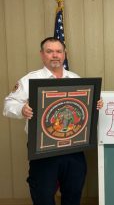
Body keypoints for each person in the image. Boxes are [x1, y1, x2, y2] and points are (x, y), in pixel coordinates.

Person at [3, 37, 103, 205]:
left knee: (73, 191)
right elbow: (8, 104)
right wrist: (21, 109)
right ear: (42, 55)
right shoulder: (29, 80)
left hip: (74, 146)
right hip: (43, 148)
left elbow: (84, 108)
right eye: (49, 51)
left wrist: (96, 103)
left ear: (64, 54)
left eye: (58, 51)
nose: (54, 55)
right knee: (42, 193)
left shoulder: (75, 78)